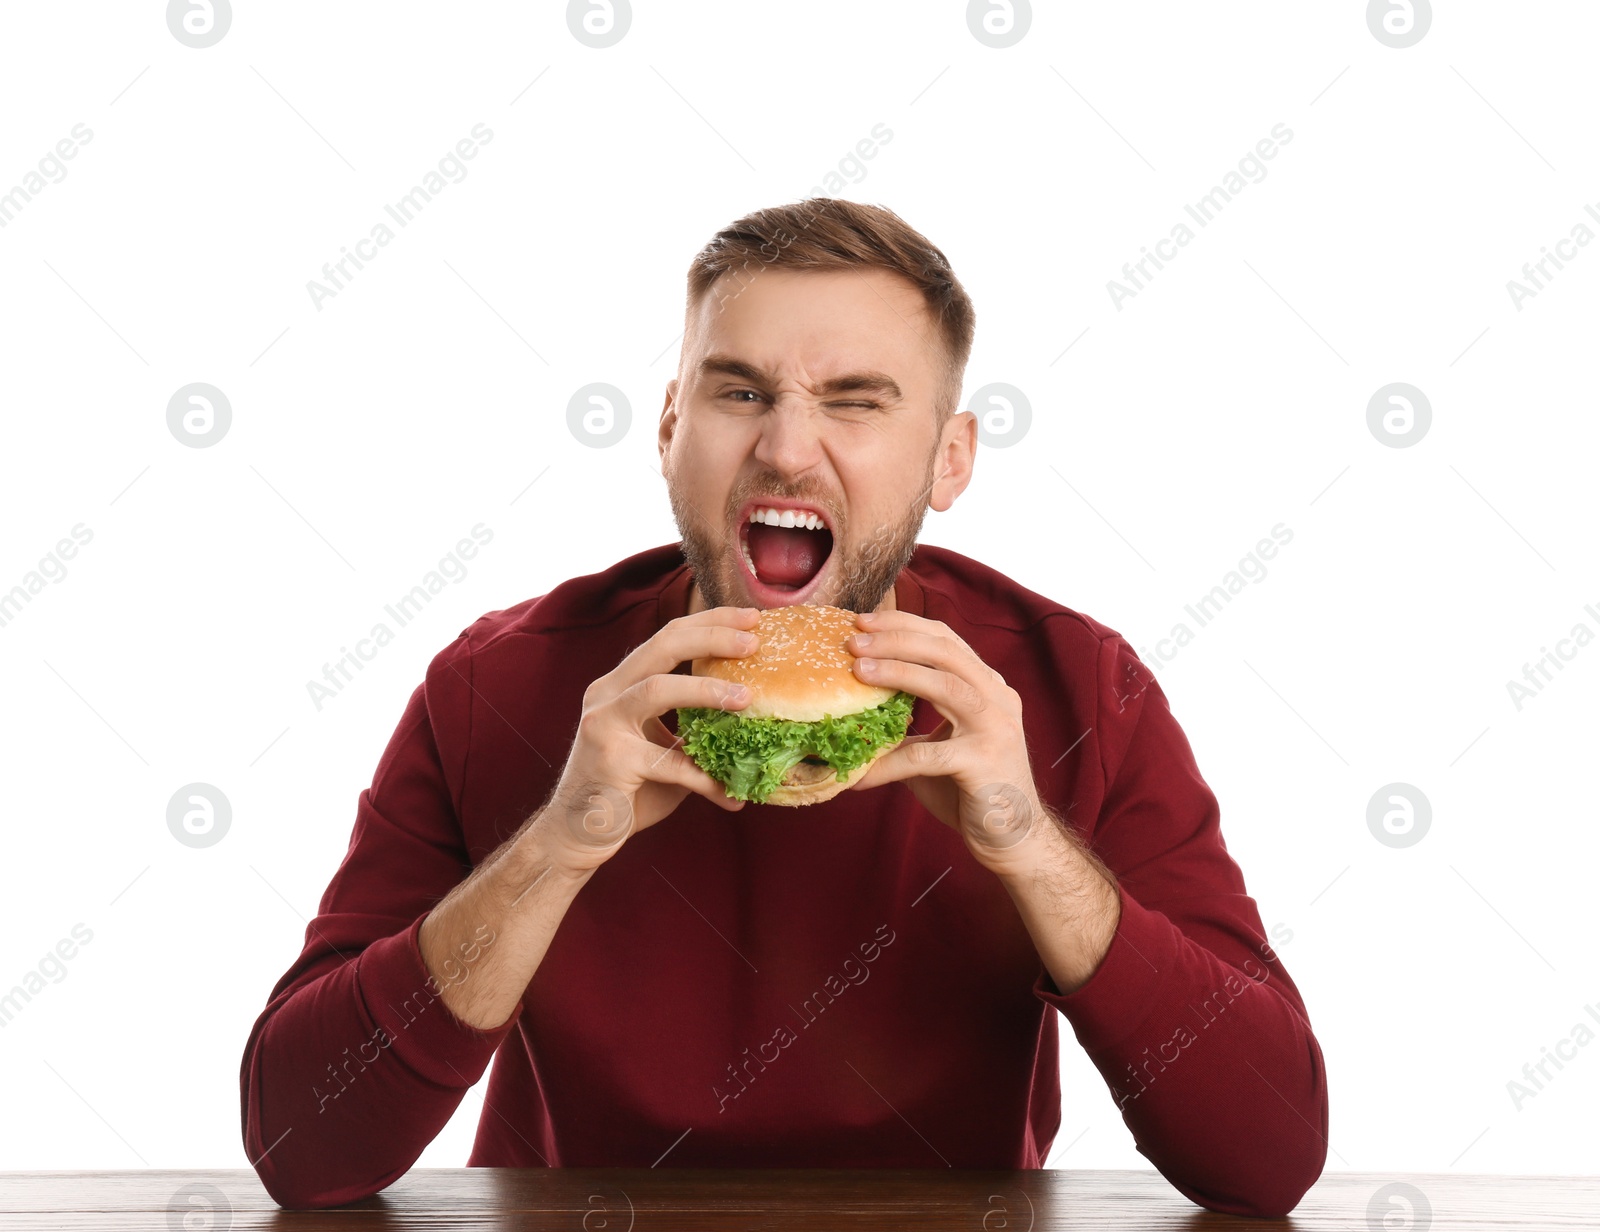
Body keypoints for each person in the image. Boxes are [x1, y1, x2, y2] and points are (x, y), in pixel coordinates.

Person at [240, 198, 1328, 1217]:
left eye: (855, 400)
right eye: (740, 392)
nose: (787, 447)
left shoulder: (1077, 686)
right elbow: (303, 1147)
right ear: (671, 427)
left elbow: (1265, 1157)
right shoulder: (499, 683)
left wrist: (1027, 843)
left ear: (949, 458)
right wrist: (557, 842)